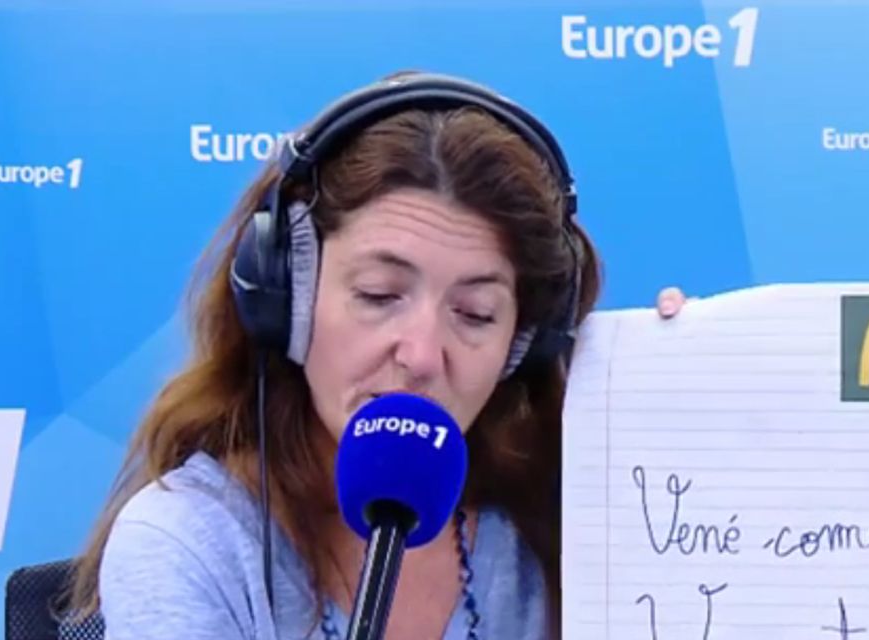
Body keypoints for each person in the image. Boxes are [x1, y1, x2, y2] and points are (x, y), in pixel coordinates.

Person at [65, 71, 689, 640]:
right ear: (288, 294)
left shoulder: (567, 530)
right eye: (379, 295)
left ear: (523, 341)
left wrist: (704, 373)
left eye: (475, 314)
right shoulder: (190, 542)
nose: (421, 356)